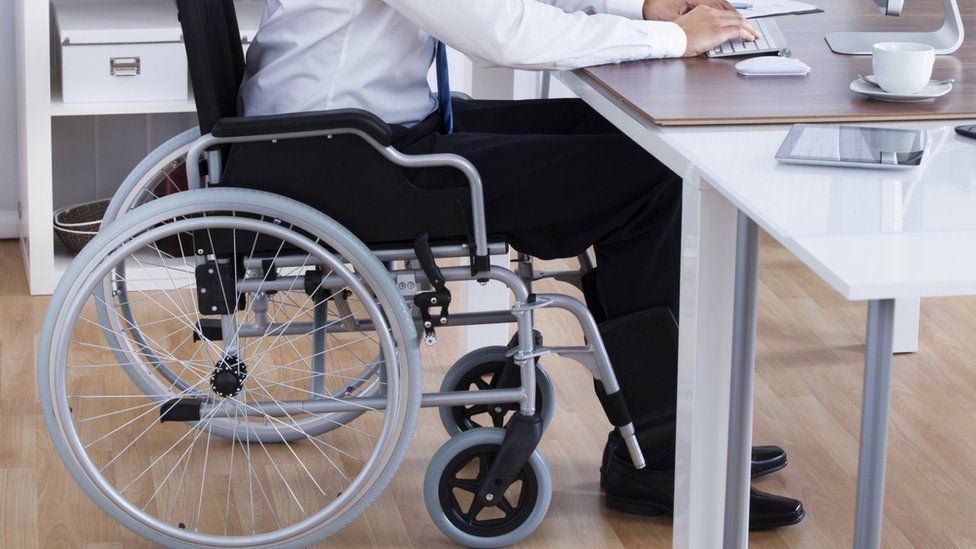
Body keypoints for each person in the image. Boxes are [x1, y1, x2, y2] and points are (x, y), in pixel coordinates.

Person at [240, 0, 804, 529]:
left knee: (637, 144)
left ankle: (664, 436)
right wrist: (670, 37)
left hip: (360, 137)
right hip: (345, 163)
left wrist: (640, 10)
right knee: (654, 176)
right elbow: (501, 32)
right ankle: (659, 454)